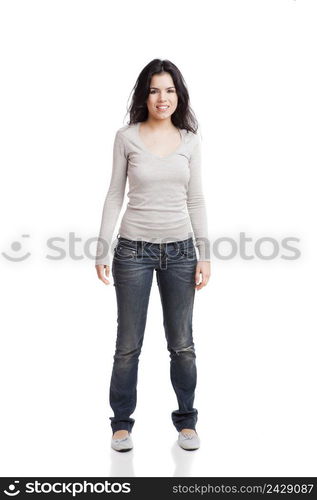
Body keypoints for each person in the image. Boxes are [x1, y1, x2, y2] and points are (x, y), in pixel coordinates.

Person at [95, 59, 211, 452]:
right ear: (145, 95)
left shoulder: (191, 140)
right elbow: (115, 193)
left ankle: (187, 422)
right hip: (133, 251)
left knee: (182, 343)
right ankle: (121, 424)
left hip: (181, 252)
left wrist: (205, 254)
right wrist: (102, 247)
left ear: (179, 95)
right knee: (128, 344)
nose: (163, 98)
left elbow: (195, 199)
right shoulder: (126, 137)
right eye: (155, 90)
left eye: (170, 90)